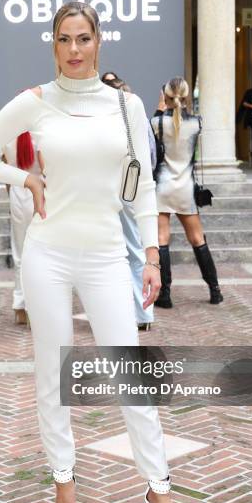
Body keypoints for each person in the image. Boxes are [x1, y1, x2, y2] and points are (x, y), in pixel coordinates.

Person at [0, 2, 187, 503]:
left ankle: (158, 491)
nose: (74, 49)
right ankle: (63, 483)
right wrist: (26, 178)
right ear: (54, 43)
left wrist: (152, 259)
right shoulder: (35, 101)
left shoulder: (127, 105)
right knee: (53, 373)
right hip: (48, 254)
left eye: (83, 38)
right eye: (64, 39)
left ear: (99, 41)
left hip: (109, 255)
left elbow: (142, 186)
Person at [151, 78, 223, 307]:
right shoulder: (197, 123)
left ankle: (165, 295)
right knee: (197, 239)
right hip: (185, 188)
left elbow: (153, 143)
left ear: (166, 96)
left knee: (161, 239)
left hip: (162, 187)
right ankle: (215, 290)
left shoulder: (156, 123)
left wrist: (159, 108)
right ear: (186, 96)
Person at [101, 74, 154, 331]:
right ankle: (142, 314)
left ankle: (132, 313)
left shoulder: (103, 117)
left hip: (112, 189)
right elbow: (151, 156)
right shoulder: (137, 114)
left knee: (112, 252)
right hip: (131, 187)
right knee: (135, 250)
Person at [2, 131, 44, 324]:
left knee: (19, 252)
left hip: (17, 192)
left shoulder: (8, 140)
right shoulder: (40, 137)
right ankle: (35, 306)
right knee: (39, 252)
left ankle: (20, 305)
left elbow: (4, 173)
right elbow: (46, 171)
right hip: (39, 194)